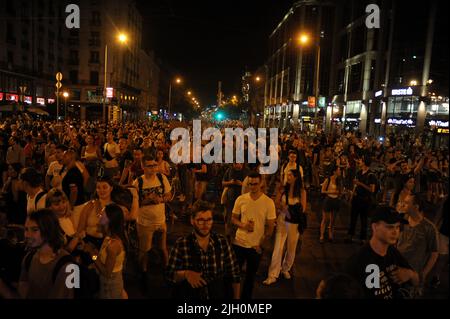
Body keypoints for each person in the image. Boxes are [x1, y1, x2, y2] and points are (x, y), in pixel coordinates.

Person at [165, 200, 241, 299]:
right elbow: (169, 275)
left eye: (209, 220)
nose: (205, 225)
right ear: (192, 221)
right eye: (201, 220)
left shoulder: (222, 242)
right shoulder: (182, 244)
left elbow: (234, 274)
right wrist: (186, 274)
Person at [345, 206, 420, 299]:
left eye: (397, 227)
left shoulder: (393, 252)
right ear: (375, 227)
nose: (395, 232)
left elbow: (416, 280)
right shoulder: (358, 261)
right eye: (390, 227)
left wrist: (410, 274)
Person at [0, 209, 74, 299]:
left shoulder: (70, 267)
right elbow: (22, 295)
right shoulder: (29, 258)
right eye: (26, 229)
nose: (27, 235)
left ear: (49, 231)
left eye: (34, 230)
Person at [231, 171, 276, 299]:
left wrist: (261, 244)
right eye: (250, 184)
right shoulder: (241, 199)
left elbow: (270, 226)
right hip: (239, 243)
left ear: (261, 183)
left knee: (250, 277)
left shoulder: (268, 203)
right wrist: (243, 225)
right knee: (234, 275)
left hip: (255, 246)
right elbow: (233, 218)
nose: (252, 187)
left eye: (255, 184)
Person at [263, 168, 307, 285]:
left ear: (296, 177)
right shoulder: (282, 189)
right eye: (287, 175)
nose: (288, 177)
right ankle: (272, 274)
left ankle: (286, 268)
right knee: (278, 248)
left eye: (290, 175)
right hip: (282, 221)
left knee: (291, 249)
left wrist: (287, 209)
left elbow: (303, 208)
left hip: (294, 223)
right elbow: (277, 204)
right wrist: (283, 209)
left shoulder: (302, 192)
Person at [133, 155, 172, 273]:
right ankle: (143, 272)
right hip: (145, 222)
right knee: (144, 250)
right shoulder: (138, 182)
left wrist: (161, 199)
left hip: (161, 220)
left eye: (155, 165)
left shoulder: (162, 178)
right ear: (143, 166)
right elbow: (134, 204)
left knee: (163, 248)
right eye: (149, 166)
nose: (153, 168)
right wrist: (148, 200)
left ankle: (168, 269)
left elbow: (168, 195)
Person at [84, 203, 127, 299]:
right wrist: (94, 249)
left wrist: (92, 254)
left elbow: (107, 272)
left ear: (109, 220)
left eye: (102, 214)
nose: (99, 215)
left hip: (110, 286)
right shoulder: (109, 236)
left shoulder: (113, 245)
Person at [397, 194, 439, 293]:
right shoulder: (402, 221)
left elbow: (434, 254)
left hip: (413, 275)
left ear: (416, 207)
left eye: (407, 203)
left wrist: (423, 274)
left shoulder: (429, 228)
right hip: (397, 270)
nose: (403, 205)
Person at [346, 157, 377, 243]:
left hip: (365, 200)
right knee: (353, 218)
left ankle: (362, 238)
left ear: (364, 162)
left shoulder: (371, 175)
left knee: (364, 220)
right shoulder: (359, 172)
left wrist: (360, 183)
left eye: (361, 160)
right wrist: (352, 195)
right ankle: (350, 236)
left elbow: (372, 189)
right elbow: (355, 186)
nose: (359, 161)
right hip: (356, 198)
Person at [46, 188, 80, 253]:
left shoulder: (70, 217)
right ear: (49, 207)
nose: (61, 206)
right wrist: (75, 240)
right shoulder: (51, 225)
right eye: (57, 204)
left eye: (63, 202)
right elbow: (57, 252)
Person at [61, 149, 86, 227]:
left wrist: (71, 206)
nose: (62, 157)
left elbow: (74, 191)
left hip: (76, 206)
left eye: (65, 156)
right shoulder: (71, 171)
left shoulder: (73, 173)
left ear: (71, 158)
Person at [222, 163, 247, 238]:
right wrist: (231, 182)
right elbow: (223, 183)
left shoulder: (246, 172)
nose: (237, 165)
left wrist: (241, 184)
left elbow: (250, 185)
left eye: (239, 163)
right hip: (230, 199)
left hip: (242, 200)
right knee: (228, 219)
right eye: (236, 163)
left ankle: (237, 237)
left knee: (239, 220)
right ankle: (228, 237)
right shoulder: (229, 170)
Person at [320, 165, 343, 243]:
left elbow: (341, 192)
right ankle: (322, 235)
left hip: (336, 200)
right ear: (334, 171)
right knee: (325, 219)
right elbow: (322, 191)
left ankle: (330, 234)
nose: (340, 171)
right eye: (339, 170)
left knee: (333, 220)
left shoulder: (339, 180)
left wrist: (341, 193)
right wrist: (332, 192)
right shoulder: (328, 179)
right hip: (328, 200)